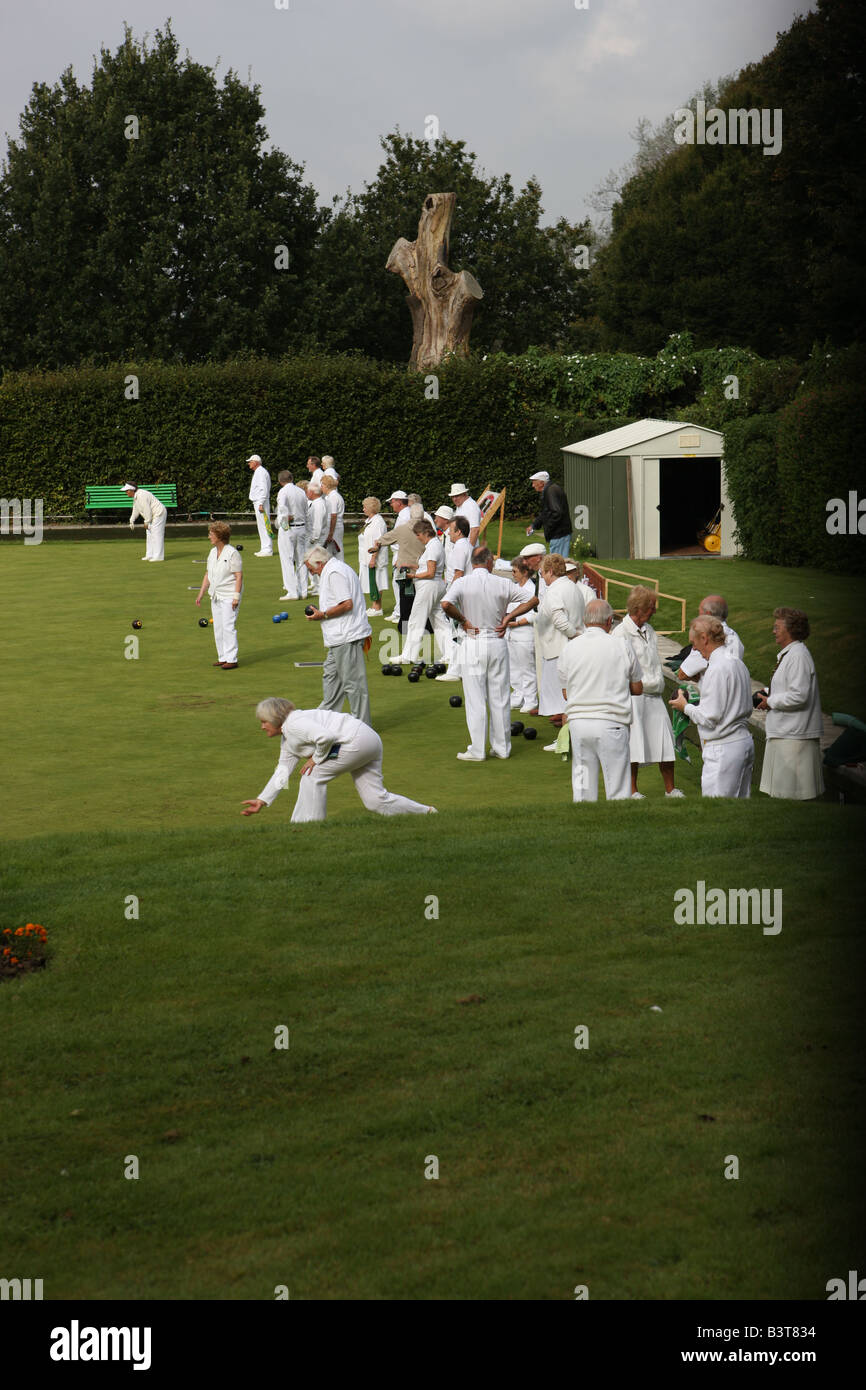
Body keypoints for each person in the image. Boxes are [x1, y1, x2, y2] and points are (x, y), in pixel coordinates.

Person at [242, 698, 435, 823]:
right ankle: (428, 814)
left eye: (264, 721)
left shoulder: (293, 724)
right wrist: (262, 800)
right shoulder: (289, 737)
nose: (262, 726)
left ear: (275, 719)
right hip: (370, 740)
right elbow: (282, 771)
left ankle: (308, 829)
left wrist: (316, 759)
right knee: (375, 800)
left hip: (355, 741)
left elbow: (325, 737)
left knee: (312, 775)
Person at [441, 546, 536, 761]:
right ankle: (502, 749)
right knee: (500, 698)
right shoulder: (503, 583)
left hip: (474, 642)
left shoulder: (462, 582)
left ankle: (477, 750)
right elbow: (533, 600)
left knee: (476, 699)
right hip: (497, 641)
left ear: (473, 563)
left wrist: (464, 621)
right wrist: (508, 617)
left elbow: (445, 604)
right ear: (489, 562)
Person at [558, 599, 644, 802]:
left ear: (584, 621)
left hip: (579, 724)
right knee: (618, 791)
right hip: (612, 723)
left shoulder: (570, 648)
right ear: (609, 621)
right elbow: (638, 688)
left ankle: (583, 827)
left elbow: (566, 693)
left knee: (582, 789)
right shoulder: (621, 645)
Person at [669, 616, 754, 797]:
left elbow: (709, 717)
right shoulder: (738, 663)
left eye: (694, 643)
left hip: (723, 749)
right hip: (743, 743)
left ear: (704, 639)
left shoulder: (717, 668)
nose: (694, 649)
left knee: (718, 813)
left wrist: (685, 707)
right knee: (739, 810)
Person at [613, 585, 683, 798]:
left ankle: (670, 789)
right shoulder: (620, 633)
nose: (654, 611)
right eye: (652, 606)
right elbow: (618, 668)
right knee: (634, 743)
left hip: (655, 696)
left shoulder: (649, 630)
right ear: (639, 608)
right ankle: (632, 790)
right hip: (634, 697)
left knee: (665, 742)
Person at [756, 608, 824, 800]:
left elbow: (799, 696)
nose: (773, 631)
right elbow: (790, 689)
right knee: (781, 795)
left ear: (791, 629)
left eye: (777, 627)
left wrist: (771, 701)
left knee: (791, 796)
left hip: (794, 736)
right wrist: (768, 696)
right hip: (786, 732)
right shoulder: (791, 654)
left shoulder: (798, 656)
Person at [303, 544, 372, 726]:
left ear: (319, 563)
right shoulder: (333, 569)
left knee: (353, 683)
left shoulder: (334, 573)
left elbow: (346, 604)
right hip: (337, 637)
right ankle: (325, 719)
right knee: (331, 677)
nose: (311, 573)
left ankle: (362, 725)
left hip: (346, 635)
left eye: (311, 569)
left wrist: (323, 615)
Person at [535, 553, 585, 739]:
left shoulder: (555, 591)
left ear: (550, 571)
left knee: (565, 700)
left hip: (560, 651)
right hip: (566, 648)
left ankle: (564, 741)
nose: (542, 577)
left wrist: (575, 636)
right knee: (569, 698)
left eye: (542, 573)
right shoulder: (572, 587)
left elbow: (560, 621)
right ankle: (569, 738)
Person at [401, 519, 453, 665]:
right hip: (434, 587)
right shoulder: (433, 545)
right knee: (439, 621)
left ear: (425, 533)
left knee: (416, 620)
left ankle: (409, 656)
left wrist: (413, 576)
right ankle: (450, 654)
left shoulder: (433, 547)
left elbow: (430, 572)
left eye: (418, 535)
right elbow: (427, 567)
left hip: (429, 587)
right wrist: (411, 566)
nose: (417, 538)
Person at [369, 501, 425, 636]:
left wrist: (377, 546)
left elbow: (382, 540)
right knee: (422, 602)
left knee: (406, 602)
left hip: (406, 571)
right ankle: (421, 627)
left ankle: (406, 628)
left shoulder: (403, 529)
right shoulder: (427, 529)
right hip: (423, 570)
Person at [195, 521, 243, 668]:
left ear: (220, 536)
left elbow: (238, 576)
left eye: (211, 534)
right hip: (216, 595)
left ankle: (232, 659)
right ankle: (223, 656)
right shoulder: (212, 552)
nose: (209, 536)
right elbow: (208, 573)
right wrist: (201, 592)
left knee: (228, 626)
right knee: (218, 627)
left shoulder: (232, 553)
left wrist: (236, 597)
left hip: (229, 595)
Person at [676, 595, 744, 681]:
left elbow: (682, 674)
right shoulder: (735, 637)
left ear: (708, 614)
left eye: (699, 612)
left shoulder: (707, 638)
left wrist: (701, 677)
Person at [503, 557, 538, 714]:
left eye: (515, 571)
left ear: (525, 572)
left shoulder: (533, 589)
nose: (513, 574)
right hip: (511, 634)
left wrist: (516, 623)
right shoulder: (514, 587)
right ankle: (518, 695)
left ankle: (531, 699)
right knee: (513, 668)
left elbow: (533, 615)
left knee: (527, 668)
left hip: (525, 634)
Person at [275, 469, 308, 601]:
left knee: (287, 559)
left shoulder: (283, 492)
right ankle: (303, 591)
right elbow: (306, 511)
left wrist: (280, 524)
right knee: (301, 560)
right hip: (302, 528)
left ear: (280, 481)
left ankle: (292, 592)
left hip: (288, 529)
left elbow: (283, 513)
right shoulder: (301, 491)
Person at [381, 491, 411, 622]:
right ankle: (399, 611)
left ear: (399, 501)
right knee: (397, 583)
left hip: (401, 554)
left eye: (392, 502)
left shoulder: (405, 516)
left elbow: (401, 537)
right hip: (399, 553)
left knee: (400, 583)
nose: (391, 504)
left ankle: (401, 614)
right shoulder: (403, 515)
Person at [526, 470, 572, 557]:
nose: (532, 485)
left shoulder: (551, 491)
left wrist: (549, 527)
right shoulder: (550, 489)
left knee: (557, 564)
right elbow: (545, 512)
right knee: (557, 563)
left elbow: (557, 513)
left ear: (541, 483)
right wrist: (534, 525)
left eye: (534, 482)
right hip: (559, 534)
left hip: (559, 534)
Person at [358, 497, 389, 616]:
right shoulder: (369, 521)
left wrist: (373, 558)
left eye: (365, 507)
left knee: (376, 581)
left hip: (375, 558)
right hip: (365, 557)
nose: (363, 509)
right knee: (371, 581)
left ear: (371, 508)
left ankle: (377, 608)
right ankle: (374, 606)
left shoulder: (378, 522)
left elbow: (378, 542)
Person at [122, 482, 167, 561]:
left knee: (156, 534)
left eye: (127, 491)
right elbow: (136, 509)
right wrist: (131, 520)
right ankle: (150, 555)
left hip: (158, 513)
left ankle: (158, 557)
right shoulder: (136, 496)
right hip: (152, 515)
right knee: (149, 534)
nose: (126, 493)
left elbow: (147, 510)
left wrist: (147, 521)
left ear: (132, 490)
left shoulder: (141, 495)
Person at [302, 484, 329, 595]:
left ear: (312, 492)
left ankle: (319, 587)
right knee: (313, 562)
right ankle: (316, 585)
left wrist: (314, 539)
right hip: (314, 538)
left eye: (308, 491)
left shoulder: (318, 504)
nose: (307, 493)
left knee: (316, 562)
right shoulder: (317, 503)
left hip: (316, 539)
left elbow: (317, 524)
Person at [247, 454, 273, 556]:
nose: (249, 463)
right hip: (259, 501)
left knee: (264, 524)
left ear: (256, 462)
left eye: (250, 461)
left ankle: (267, 549)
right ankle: (264, 548)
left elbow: (264, 488)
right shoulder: (259, 471)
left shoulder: (261, 472)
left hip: (261, 502)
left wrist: (261, 502)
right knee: (261, 525)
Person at [321, 475, 345, 557]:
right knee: (330, 552)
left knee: (337, 552)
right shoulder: (331, 496)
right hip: (333, 527)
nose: (321, 487)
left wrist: (330, 533)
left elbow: (333, 516)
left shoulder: (333, 497)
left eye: (322, 485)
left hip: (335, 528)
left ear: (327, 486)